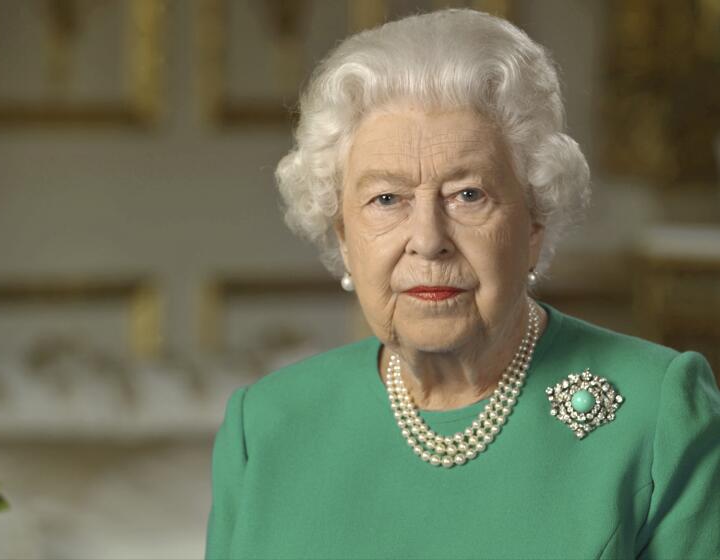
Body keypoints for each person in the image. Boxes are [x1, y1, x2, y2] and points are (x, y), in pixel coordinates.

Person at [205, 9, 720, 559]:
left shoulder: (658, 410)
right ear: (343, 235)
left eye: (467, 194)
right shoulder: (263, 427)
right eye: (387, 199)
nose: (429, 239)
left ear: (534, 224)